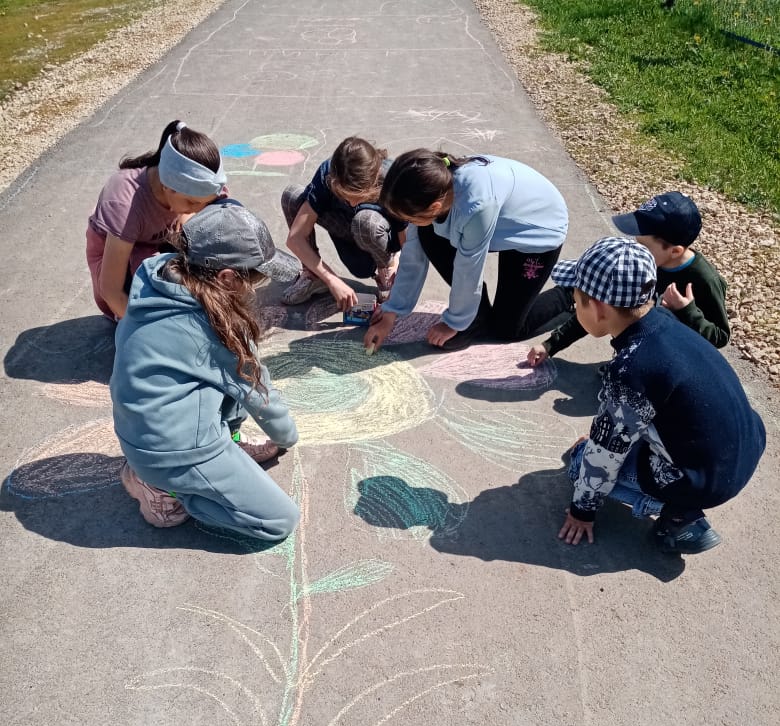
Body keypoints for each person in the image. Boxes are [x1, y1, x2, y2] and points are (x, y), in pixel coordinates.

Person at [554, 237, 764, 554]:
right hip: (744, 447)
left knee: (580, 462)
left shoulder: (631, 369)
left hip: (705, 480)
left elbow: (604, 453)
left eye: (576, 301)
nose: (574, 307)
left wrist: (581, 511)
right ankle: (682, 494)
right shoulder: (665, 321)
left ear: (597, 308)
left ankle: (680, 518)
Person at [111, 199, 302, 541]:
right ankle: (163, 489)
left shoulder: (158, 276)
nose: (255, 289)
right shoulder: (218, 328)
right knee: (279, 521)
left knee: (229, 379)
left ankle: (221, 447)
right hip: (174, 453)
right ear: (226, 278)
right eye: (254, 281)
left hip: (141, 431)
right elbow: (260, 393)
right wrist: (286, 437)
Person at [363, 149, 569, 354]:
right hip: (504, 217)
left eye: (410, 218)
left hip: (538, 229)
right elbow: (412, 254)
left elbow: (468, 270)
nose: (407, 223)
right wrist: (392, 310)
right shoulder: (430, 186)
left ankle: (569, 294)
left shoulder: (475, 208)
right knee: (427, 233)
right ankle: (478, 314)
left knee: (506, 328)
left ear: (434, 207)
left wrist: (455, 323)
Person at [527, 190, 729, 366]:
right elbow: (598, 310)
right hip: (642, 344)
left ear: (675, 251)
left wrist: (688, 311)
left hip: (674, 361)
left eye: (643, 245)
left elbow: (720, 337)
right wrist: (551, 345)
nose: (636, 248)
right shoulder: (639, 264)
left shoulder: (705, 280)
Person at [87, 119, 226, 321]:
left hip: (158, 243)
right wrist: (147, 329)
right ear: (167, 186)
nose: (198, 208)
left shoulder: (193, 188)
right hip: (121, 263)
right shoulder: (125, 202)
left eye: (203, 203)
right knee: (158, 312)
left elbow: (225, 213)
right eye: (192, 202)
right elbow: (111, 290)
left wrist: (188, 214)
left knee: (216, 244)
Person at [280, 136, 407, 310]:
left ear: (374, 181)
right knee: (292, 196)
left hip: (377, 233)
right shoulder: (328, 174)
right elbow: (295, 238)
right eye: (345, 196)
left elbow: (407, 240)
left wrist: (402, 279)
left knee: (365, 221)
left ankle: (387, 269)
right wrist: (331, 279)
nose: (352, 203)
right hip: (347, 229)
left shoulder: (393, 179)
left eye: (359, 197)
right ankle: (313, 275)